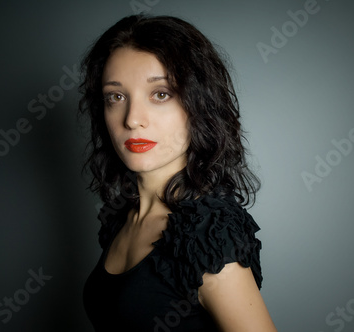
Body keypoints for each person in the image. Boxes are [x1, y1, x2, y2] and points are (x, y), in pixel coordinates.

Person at [80, 14, 277, 331]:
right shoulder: (122, 216)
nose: (132, 119)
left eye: (160, 94)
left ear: (198, 105)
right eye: (115, 97)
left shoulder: (208, 235)